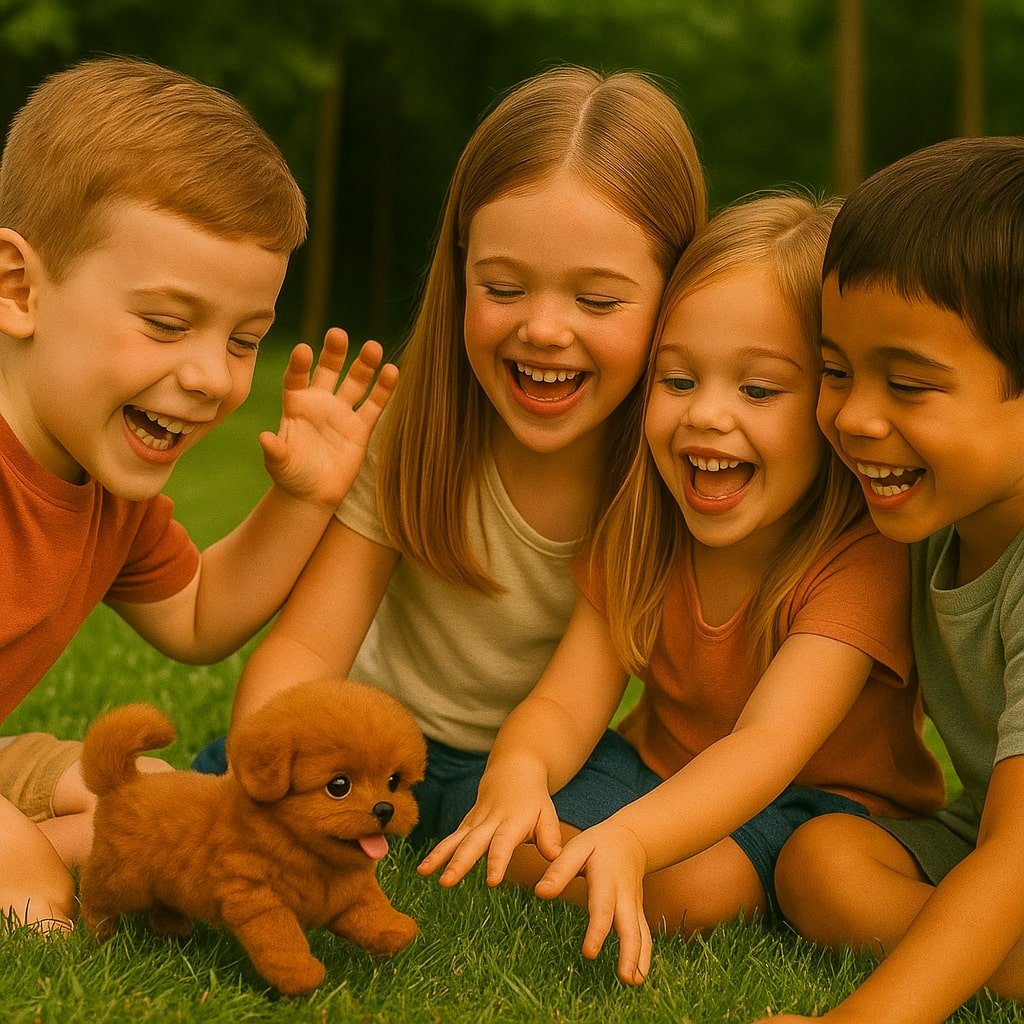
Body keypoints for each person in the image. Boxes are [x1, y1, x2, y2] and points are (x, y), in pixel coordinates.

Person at [419, 194, 946, 986]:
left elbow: (765, 747)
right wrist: (520, 773)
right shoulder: (645, 526)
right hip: (651, 772)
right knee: (519, 805)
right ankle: (496, 819)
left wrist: (632, 840)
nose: (706, 415)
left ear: (830, 403)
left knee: (699, 889)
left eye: (758, 391)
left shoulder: (859, 557)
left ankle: (553, 843)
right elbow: (564, 703)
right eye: (677, 379)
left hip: (811, 803)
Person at [198, 66, 707, 843]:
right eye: (502, 288)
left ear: (676, 295)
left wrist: (519, 783)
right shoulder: (414, 430)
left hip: (538, 762)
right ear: (460, 271)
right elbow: (307, 646)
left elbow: (571, 703)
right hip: (364, 743)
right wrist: (266, 762)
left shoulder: (661, 472)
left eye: (597, 300)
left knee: (663, 869)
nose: (543, 330)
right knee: (190, 824)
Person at [0, 57, 397, 932]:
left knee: (170, 802)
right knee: (31, 886)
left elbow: (198, 617)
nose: (212, 377)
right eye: (167, 324)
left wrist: (303, 499)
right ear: (20, 289)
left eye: (244, 340)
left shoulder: (108, 494)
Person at [754, 137, 1024, 1024]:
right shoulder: (928, 517)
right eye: (835, 372)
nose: (854, 417)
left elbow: (1015, 857)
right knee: (820, 863)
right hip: (988, 836)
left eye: (907, 385)